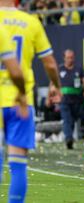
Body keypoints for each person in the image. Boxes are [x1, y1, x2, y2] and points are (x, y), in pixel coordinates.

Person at [0, 0, 62, 202]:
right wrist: (56, 85)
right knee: (18, 163)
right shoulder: (31, 22)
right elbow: (50, 63)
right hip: (21, 102)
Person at [0, 25, 28, 183]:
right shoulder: (2, 32)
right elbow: (15, 71)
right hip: (8, 99)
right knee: (17, 160)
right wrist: (22, 95)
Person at [59, 49, 84, 149]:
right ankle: (68, 138)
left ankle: (70, 139)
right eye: (68, 58)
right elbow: (53, 83)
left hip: (77, 100)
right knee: (66, 119)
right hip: (64, 100)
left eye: (71, 57)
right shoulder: (60, 69)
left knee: (72, 121)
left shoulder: (78, 69)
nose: (70, 59)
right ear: (64, 58)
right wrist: (51, 94)